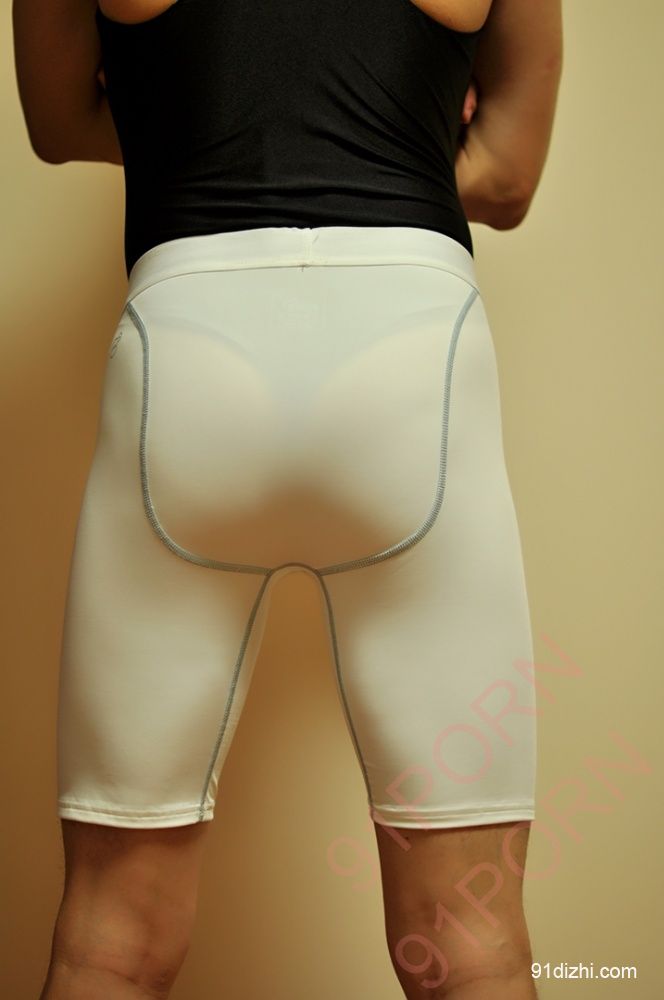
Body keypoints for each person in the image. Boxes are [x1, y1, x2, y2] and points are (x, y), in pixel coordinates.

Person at [13, 0, 563, 997]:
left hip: (188, 337)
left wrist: (198, 127)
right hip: (413, 343)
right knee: (470, 940)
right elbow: (510, 174)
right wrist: (402, 136)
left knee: (109, 940)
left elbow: (58, 125)